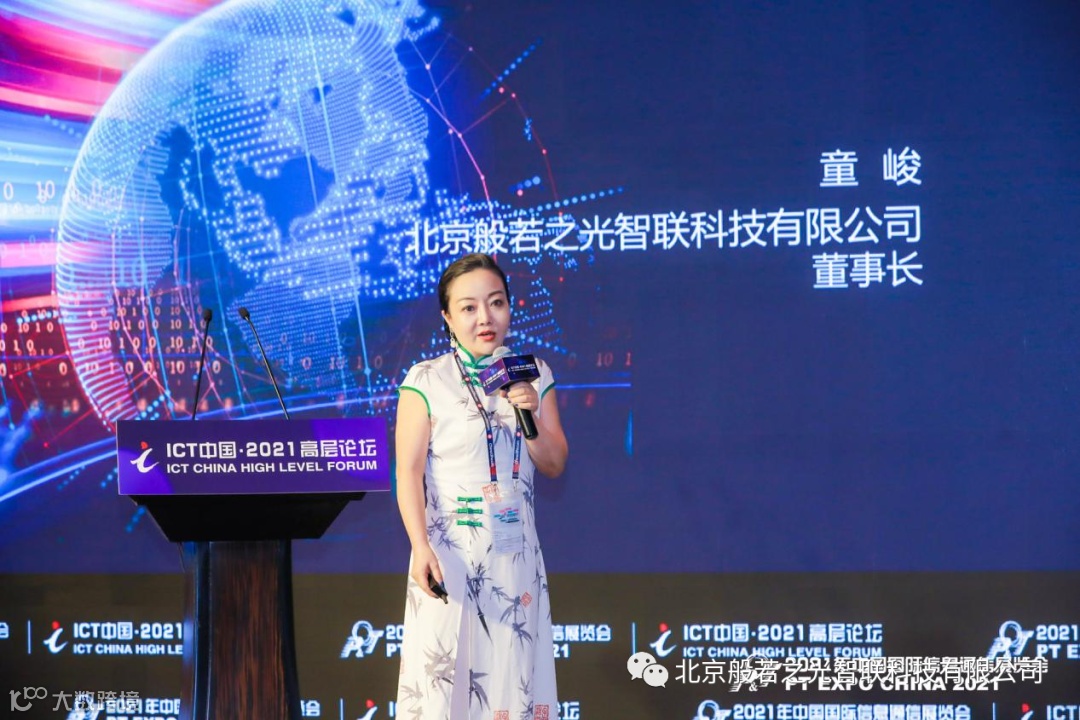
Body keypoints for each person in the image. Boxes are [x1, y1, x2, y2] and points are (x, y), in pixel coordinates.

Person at [394, 253, 569, 720]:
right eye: (468, 307)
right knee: (444, 687)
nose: (485, 317)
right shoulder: (426, 379)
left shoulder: (534, 372)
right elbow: (408, 471)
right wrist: (419, 546)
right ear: (448, 318)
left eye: (496, 303)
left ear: (510, 307)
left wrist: (528, 414)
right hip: (448, 557)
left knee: (513, 682)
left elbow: (554, 462)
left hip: (515, 558)